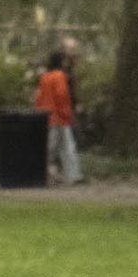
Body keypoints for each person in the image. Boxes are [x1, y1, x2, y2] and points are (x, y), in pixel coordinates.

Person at [36, 45, 81, 186]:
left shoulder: (45, 77)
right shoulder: (59, 76)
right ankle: (72, 175)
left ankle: (47, 173)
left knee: (49, 148)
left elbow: (39, 97)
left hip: (46, 116)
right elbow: (62, 96)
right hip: (59, 117)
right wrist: (68, 114)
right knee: (67, 147)